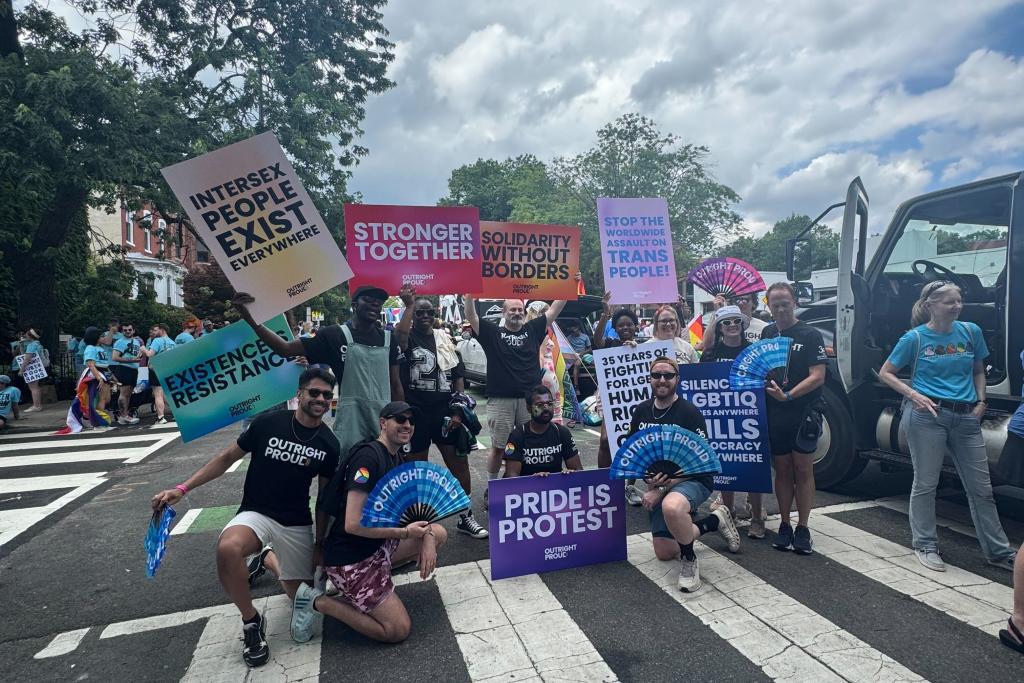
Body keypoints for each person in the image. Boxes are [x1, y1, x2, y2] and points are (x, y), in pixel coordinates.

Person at [151, 368, 340, 667]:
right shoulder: (268, 423)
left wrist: (320, 543)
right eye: (314, 392)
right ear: (300, 393)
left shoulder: (329, 444)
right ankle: (252, 622)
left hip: (296, 521)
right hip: (257, 513)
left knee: (301, 597)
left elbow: (325, 500)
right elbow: (226, 458)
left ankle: (266, 556)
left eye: (327, 395)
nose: (320, 399)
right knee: (228, 549)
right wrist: (182, 488)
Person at [878, 281, 1016, 572]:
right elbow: (886, 373)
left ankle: (998, 552)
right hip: (928, 416)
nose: (957, 306)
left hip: (966, 416)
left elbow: (978, 369)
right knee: (926, 483)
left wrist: (981, 401)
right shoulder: (914, 339)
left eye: (959, 300)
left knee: (982, 488)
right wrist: (914, 394)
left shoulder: (970, 331)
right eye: (949, 302)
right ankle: (925, 545)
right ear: (930, 305)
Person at [291, 401, 448, 644]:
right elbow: (352, 524)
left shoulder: (397, 457)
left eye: (411, 421)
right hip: (351, 559)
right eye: (400, 419)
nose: (407, 425)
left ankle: (371, 583)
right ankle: (316, 601)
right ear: (383, 423)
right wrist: (406, 533)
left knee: (437, 532)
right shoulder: (368, 458)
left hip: (377, 549)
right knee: (397, 630)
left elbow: (414, 512)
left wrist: (426, 536)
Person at [234, 285, 404, 460]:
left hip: (384, 417)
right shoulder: (333, 335)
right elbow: (284, 349)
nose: (374, 305)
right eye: (368, 300)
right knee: (346, 469)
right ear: (354, 304)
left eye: (379, 302)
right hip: (351, 420)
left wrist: (402, 419)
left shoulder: (389, 339)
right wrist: (250, 318)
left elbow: (396, 385)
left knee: (388, 473)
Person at [627, 356, 741, 592]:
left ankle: (689, 560)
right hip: (660, 484)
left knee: (672, 506)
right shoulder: (641, 411)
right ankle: (714, 521)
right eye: (656, 375)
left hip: (692, 478)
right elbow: (635, 451)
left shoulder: (689, 412)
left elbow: (703, 462)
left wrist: (661, 488)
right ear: (649, 379)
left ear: (677, 379)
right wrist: (647, 479)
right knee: (665, 552)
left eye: (668, 375)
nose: (662, 380)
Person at [395, 289, 487, 539]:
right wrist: (409, 305)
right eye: (419, 312)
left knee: (459, 465)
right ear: (413, 314)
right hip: (414, 415)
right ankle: (418, 523)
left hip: (445, 413)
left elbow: (458, 374)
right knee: (415, 470)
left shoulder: (444, 338)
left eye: (428, 311)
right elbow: (401, 338)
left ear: (435, 313)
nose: (424, 315)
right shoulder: (406, 337)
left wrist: (458, 409)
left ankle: (466, 516)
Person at [462, 293, 568, 483]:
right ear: (503, 312)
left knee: (530, 446)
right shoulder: (493, 332)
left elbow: (554, 309)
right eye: (512, 309)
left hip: (530, 401)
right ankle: (492, 487)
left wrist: (569, 287)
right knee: (499, 447)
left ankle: (526, 485)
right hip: (500, 400)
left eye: (520, 309)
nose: (517, 313)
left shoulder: (533, 329)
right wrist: (469, 297)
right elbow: (471, 317)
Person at [761, 282, 827, 555]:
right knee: (783, 469)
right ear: (769, 306)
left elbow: (818, 375)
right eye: (774, 304)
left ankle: (803, 526)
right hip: (775, 412)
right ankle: (785, 523)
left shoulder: (810, 334)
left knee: (802, 469)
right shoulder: (766, 332)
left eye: (784, 303)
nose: (780, 309)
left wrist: (788, 395)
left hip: (803, 411)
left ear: (795, 302)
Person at [699, 305, 767, 537]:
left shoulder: (753, 352)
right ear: (719, 327)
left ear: (742, 324)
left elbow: (764, 380)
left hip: (750, 417)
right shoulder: (709, 354)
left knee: (753, 469)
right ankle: (728, 515)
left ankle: (757, 518)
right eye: (726, 322)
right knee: (725, 467)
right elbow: (700, 384)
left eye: (736, 321)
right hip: (721, 418)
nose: (731, 326)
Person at [594, 294, 645, 502]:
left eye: (629, 325)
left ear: (636, 327)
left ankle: (629, 486)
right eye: (621, 325)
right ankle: (603, 482)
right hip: (612, 400)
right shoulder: (610, 344)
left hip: (637, 402)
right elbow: (596, 340)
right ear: (615, 328)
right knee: (606, 441)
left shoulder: (644, 347)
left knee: (633, 443)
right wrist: (606, 313)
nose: (625, 328)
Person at [504, 385, 583, 477]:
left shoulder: (562, 432)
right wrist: (535, 480)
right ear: (529, 408)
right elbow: (511, 477)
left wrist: (569, 474)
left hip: (556, 489)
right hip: (527, 489)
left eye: (549, 403)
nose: (546, 408)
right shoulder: (516, 436)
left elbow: (578, 471)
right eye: (540, 405)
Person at [142, 324, 176, 424]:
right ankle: (175, 413)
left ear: (162, 330)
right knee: (167, 393)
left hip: (155, 369)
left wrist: (143, 349)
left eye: (156, 330)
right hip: (168, 369)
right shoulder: (172, 342)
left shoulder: (157, 341)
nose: (154, 332)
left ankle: (161, 417)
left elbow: (149, 354)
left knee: (157, 394)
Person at [111, 322, 144, 425]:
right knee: (124, 393)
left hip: (134, 369)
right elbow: (115, 357)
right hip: (124, 369)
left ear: (133, 330)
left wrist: (137, 359)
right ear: (122, 331)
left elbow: (137, 356)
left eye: (129, 330)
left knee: (129, 394)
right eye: (125, 330)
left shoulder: (136, 342)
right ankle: (123, 415)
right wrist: (132, 360)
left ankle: (125, 415)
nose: (127, 332)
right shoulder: (120, 342)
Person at [17, 329, 45, 412]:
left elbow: (27, 359)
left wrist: (22, 370)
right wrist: (21, 345)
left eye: (26, 334)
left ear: (30, 336)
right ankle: (38, 405)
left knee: (33, 387)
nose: (25, 335)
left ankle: (36, 406)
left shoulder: (32, 345)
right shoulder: (37, 344)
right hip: (36, 368)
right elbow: (24, 355)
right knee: (35, 387)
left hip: (31, 368)